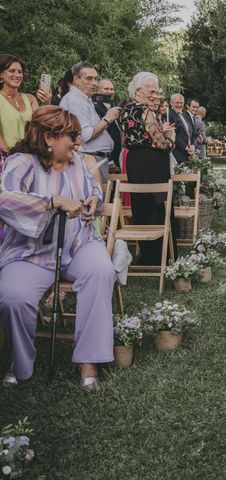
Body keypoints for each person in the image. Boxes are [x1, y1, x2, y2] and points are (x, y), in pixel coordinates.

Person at [0, 106, 115, 390]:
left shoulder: (76, 161)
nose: (77, 141)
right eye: (72, 135)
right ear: (49, 138)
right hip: (31, 253)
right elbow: (5, 199)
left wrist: (92, 201)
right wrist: (52, 201)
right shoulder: (22, 162)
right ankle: (21, 362)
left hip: (78, 244)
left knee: (101, 271)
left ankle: (89, 362)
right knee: (13, 297)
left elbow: (95, 189)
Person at [119, 72, 177, 266]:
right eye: (151, 91)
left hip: (135, 162)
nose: (156, 95)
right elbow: (161, 142)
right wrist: (171, 140)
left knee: (141, 205)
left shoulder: (125, 109)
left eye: (157, 91)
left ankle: (147, 255)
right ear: (138, 91)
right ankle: (161, 257)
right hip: (152, 163)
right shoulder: (145, 111)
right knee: (157, 205)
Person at [60, 62, 121, 183]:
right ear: (76, 79)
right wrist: (108, 119)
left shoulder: (84, 99)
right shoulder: (74, 100)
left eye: (95, 78)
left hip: (97, 158)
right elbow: (85, 135)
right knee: (94, 199)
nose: (94, 83)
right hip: (89, 159)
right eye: (89, 78)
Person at [0, 54, 50, 157]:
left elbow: (43, 124)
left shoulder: (30, 99)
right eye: (12, 71)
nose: (17, 75)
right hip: (8, 157)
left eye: (20, 72)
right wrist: (10, 157)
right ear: (1, 74)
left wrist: (47, 102)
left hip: (33, 155)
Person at [93, 79, 122, 171]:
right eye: (106, 89)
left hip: (116, 157)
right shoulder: (95, 108)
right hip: (105, 159)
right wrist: (109, 160)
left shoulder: (113, 107)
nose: (110, 92)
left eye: (111, 89)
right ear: (98, 91)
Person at [169, 93, 194, 164]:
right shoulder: (169, 116)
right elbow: (174, 135)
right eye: (177, 103)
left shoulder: (186, 115)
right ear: (171, 103)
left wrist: (193, 145)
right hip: (177, 153)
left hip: (189, 154)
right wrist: (186, 148)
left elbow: (193, 133)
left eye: (181, 103)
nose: (179, 105)